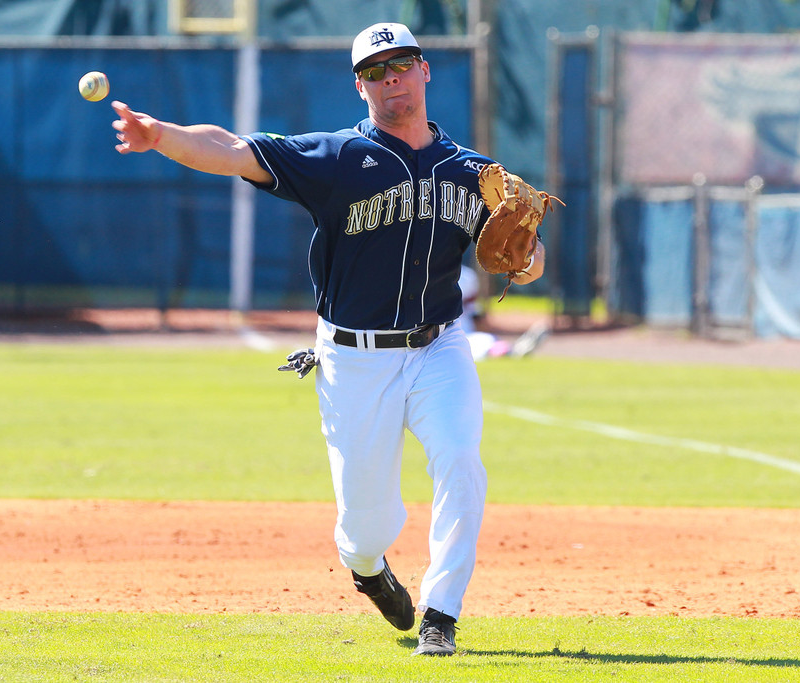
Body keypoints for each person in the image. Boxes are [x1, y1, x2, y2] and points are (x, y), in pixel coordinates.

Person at [111, 22, 545, 656]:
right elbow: (233, 150)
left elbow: (527, 262)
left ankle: (442, 614)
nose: (390, 78)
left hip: (439, 346)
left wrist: (526, 258)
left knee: (459, 458)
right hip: (354, 358)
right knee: (369, 526)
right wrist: (162, 138)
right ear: (360, 85)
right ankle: (367, 567)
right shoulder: (335, 158)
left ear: (425, 70)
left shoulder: (472, 173)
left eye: (401, 64)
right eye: (375, 71)